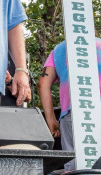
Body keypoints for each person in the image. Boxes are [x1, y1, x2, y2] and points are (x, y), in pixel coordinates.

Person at [38, 36, 101, 171]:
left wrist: (51, 120)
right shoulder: (99, 45)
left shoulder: (60, 49)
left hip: (72, 114)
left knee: (74, 168)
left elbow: (43, 83)